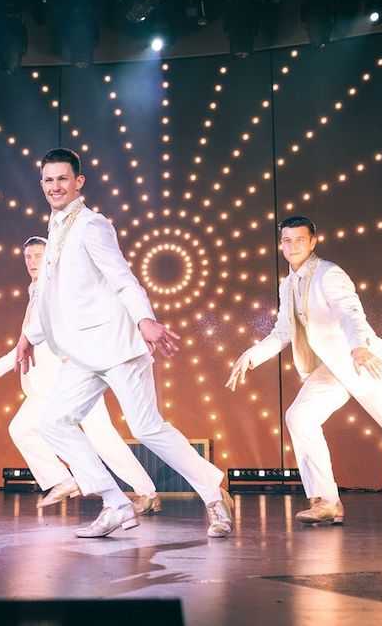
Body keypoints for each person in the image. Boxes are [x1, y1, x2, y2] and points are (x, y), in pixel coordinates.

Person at [15, 148, 232, 538]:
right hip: (82, 351)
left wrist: (145, 319)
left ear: (78, 182)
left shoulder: (92, 224)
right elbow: (51, 292)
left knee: (147, 427)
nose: (55, 186)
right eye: (48, 180)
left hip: (116, 344)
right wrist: (27, 338)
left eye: (62, 178)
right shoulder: (55, 226)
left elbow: (122, 278)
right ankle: (116, 504)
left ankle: (213, 495)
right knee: (53, 422)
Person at [226, 216, 382, 525]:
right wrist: (251, 355)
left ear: (313, 241)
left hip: (362, 360)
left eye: (299, 240)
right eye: (286, 240)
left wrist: (359, 345)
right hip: (331, 367)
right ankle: (326, 501)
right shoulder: (287, 284)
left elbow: (351, 312)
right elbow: (283, 331)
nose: (291, 246)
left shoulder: (329, 273)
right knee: (299, 416)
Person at [0, 236, 160, 516]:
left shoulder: (55, 288)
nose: (31, 262)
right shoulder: (37, 289)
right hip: (52, 383)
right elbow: (33, 339)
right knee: (27, 429)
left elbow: (44, 331)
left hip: (69, 379)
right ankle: (67, 480)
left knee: (100, 438)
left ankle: (134, 491)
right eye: (28, 257)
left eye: (38, 256)